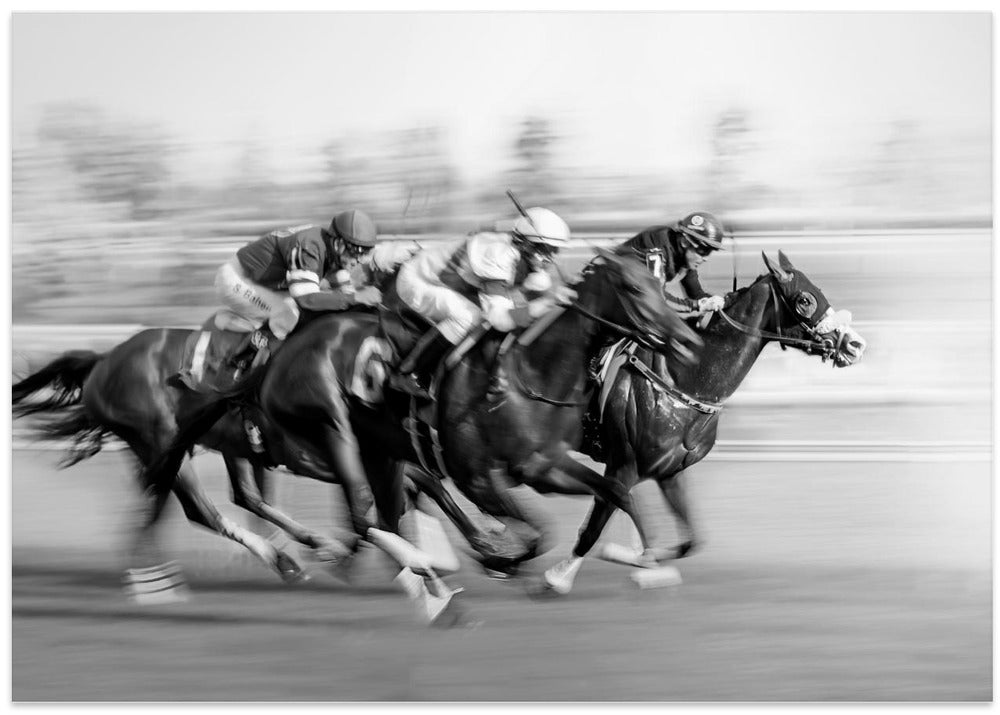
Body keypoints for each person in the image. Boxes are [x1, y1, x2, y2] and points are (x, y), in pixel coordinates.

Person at [388, 206, 574, 399]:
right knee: (468, 317)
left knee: (518, 307)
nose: (553, 258)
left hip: (453, 283)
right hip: (417, 281)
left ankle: (496, 367)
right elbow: (500, 320)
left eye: (556, 251)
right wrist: (548, 301)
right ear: (529, 246)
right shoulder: (498, 256)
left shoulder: (522, 256)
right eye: (549, 250)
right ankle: (412, 374)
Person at [215, 209, 384, 366]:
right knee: (288, 313)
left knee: (314, 308)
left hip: (263, 283)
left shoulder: (334, 255)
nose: (360, 259)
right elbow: (307, 299)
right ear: (338, 244)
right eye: (357, 251)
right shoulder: (310, 246)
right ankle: (241, 360)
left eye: (365, 252)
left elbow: (345, 296)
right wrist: (357, 297)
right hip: (235, 279)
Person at [613, 211, 728, 317]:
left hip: (635, 296)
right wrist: (697, 305)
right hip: (615, 293)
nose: (706, 258)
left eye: (709, 252)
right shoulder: (657, 250)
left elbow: (696, 294)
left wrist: (717, 302)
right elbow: (658, 298)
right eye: (703, 251)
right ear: (685, 242)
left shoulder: (684, 254)